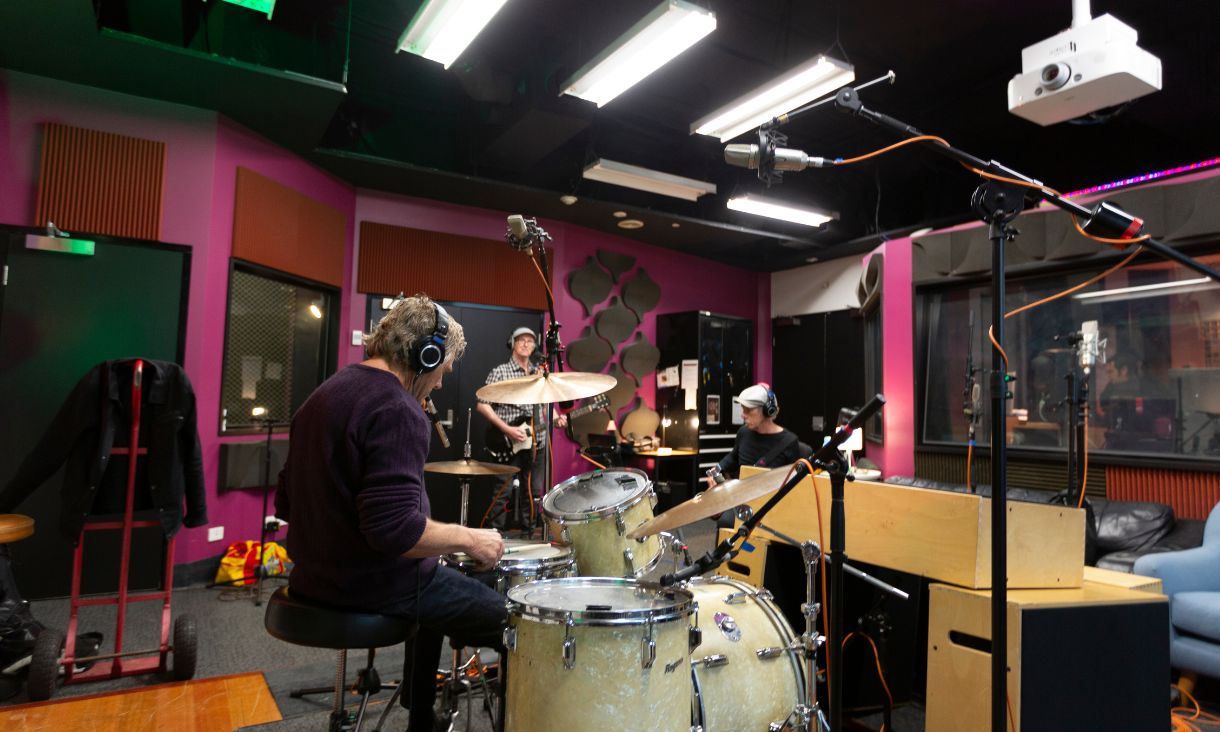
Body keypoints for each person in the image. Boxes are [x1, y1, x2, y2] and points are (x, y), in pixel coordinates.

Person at [275, 294, 505, 732]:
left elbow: (286, 503)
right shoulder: (397, 409)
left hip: (312, 579)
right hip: (370, 587)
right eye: (442, 369)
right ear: (426, 354)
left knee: (435, 576)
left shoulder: (323, 395)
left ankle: (422, 717)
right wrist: (471, 538)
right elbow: (395, 533)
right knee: (519, 621)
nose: (440, 383)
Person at [476, 327, 566, 529]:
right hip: (510, 441)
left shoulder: (538, 372)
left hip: (538, 441)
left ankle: (530, 534)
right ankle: (493, 535)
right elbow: (482, 404)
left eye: (530, 340)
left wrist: (557, 417)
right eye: (521, 340)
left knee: (534, 493)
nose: (526, 344)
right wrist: (507, 429)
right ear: (512, 344)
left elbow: (544, 403)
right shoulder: (500, 372)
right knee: (503, 491)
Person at [710, 383, 811, 484]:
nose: (743, 415)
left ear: (767, 411)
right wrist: (717, 470)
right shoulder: (743, 432)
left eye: (748, 410)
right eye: (743, 409)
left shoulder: (789, 442)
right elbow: (733, 457)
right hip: (743, 494)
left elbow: (795, 482)